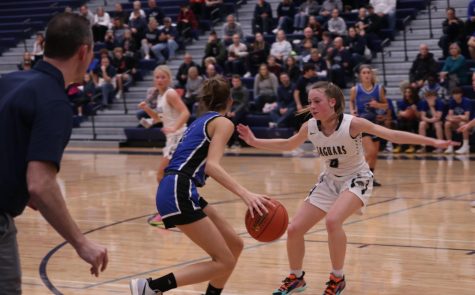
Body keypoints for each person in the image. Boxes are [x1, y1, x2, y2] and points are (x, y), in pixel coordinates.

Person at [236, 81, 456, 295]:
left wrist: (433, 142)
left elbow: (392, 135)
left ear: (332, 102)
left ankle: (337, 278)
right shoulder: (310, 126)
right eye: (309, 101)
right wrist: (255, 141)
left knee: (333, 221)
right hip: (329, 180)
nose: (311, 106)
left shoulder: (352, 124)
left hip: (357, 178)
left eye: (317, 101)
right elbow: (289, 144)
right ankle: (296, 277)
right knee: (294, 229)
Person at [129, 77, 272, 295]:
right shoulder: (223, 123)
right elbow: (212, 166)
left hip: (179, 187)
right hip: (179, 188)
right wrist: (246, 194)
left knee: (235, 245)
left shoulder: (200, 121)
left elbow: (204, 165)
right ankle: (151, 288)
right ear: (230, 101)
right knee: (224, 261)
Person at [0, 13, 108, 294]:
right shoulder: (54, 102)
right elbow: (40, 184)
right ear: (83, 51)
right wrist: (81, 242)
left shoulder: (8, 82)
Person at [137, 65, 190, 226]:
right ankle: (175, 209)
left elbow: (185, 113)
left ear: (169, 79)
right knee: (171, 178)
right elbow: (160, 119)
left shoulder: (171, 93)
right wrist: (147, 109)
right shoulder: (160, 97)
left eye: (163, 77)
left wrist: (174, 127)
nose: (159, 80)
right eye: (157, 77)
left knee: (161, 176)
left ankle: (166, 212)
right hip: (171, 138)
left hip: (178, 137)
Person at [349, 64, 388, 186]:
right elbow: (351, 101)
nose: (366, 75)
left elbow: (386, 105)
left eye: (368, 72)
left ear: (372, 75)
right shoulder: (355, 89)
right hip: (362, 124)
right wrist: (352, 111)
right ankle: (354, 174)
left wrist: (378, 105)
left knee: (375, 154)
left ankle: (370, 178)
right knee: (370, 151)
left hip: (375, 123)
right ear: (360, 76)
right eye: (364, 73)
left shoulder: (379, 88)